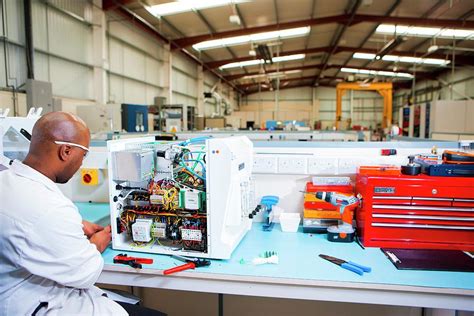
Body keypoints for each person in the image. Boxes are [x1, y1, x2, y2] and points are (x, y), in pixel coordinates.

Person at [0, 112, 164, 316]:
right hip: (38, 305)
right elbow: (85, 274)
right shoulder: (50, 207)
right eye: (84, 154)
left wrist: (74, 225)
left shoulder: (7, 181)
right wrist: (98, 242)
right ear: (66, 151)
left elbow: (31, 227)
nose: (82, 163)